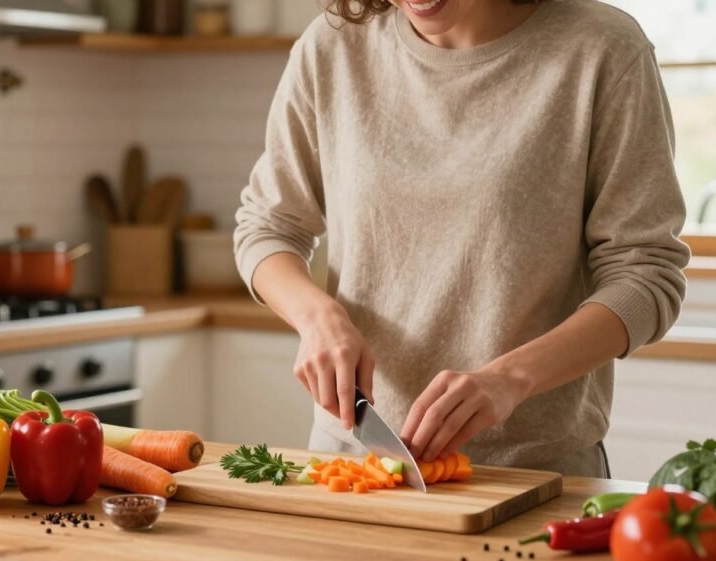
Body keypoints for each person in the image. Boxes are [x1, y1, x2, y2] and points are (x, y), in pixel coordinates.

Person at [233, 0, 690, 477]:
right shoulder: (331, 47)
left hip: (535, 471)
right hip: (353, 463)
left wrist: (511, 379)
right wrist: (316, 317)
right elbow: (267, 226)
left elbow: (645, 275)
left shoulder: (602, 49)